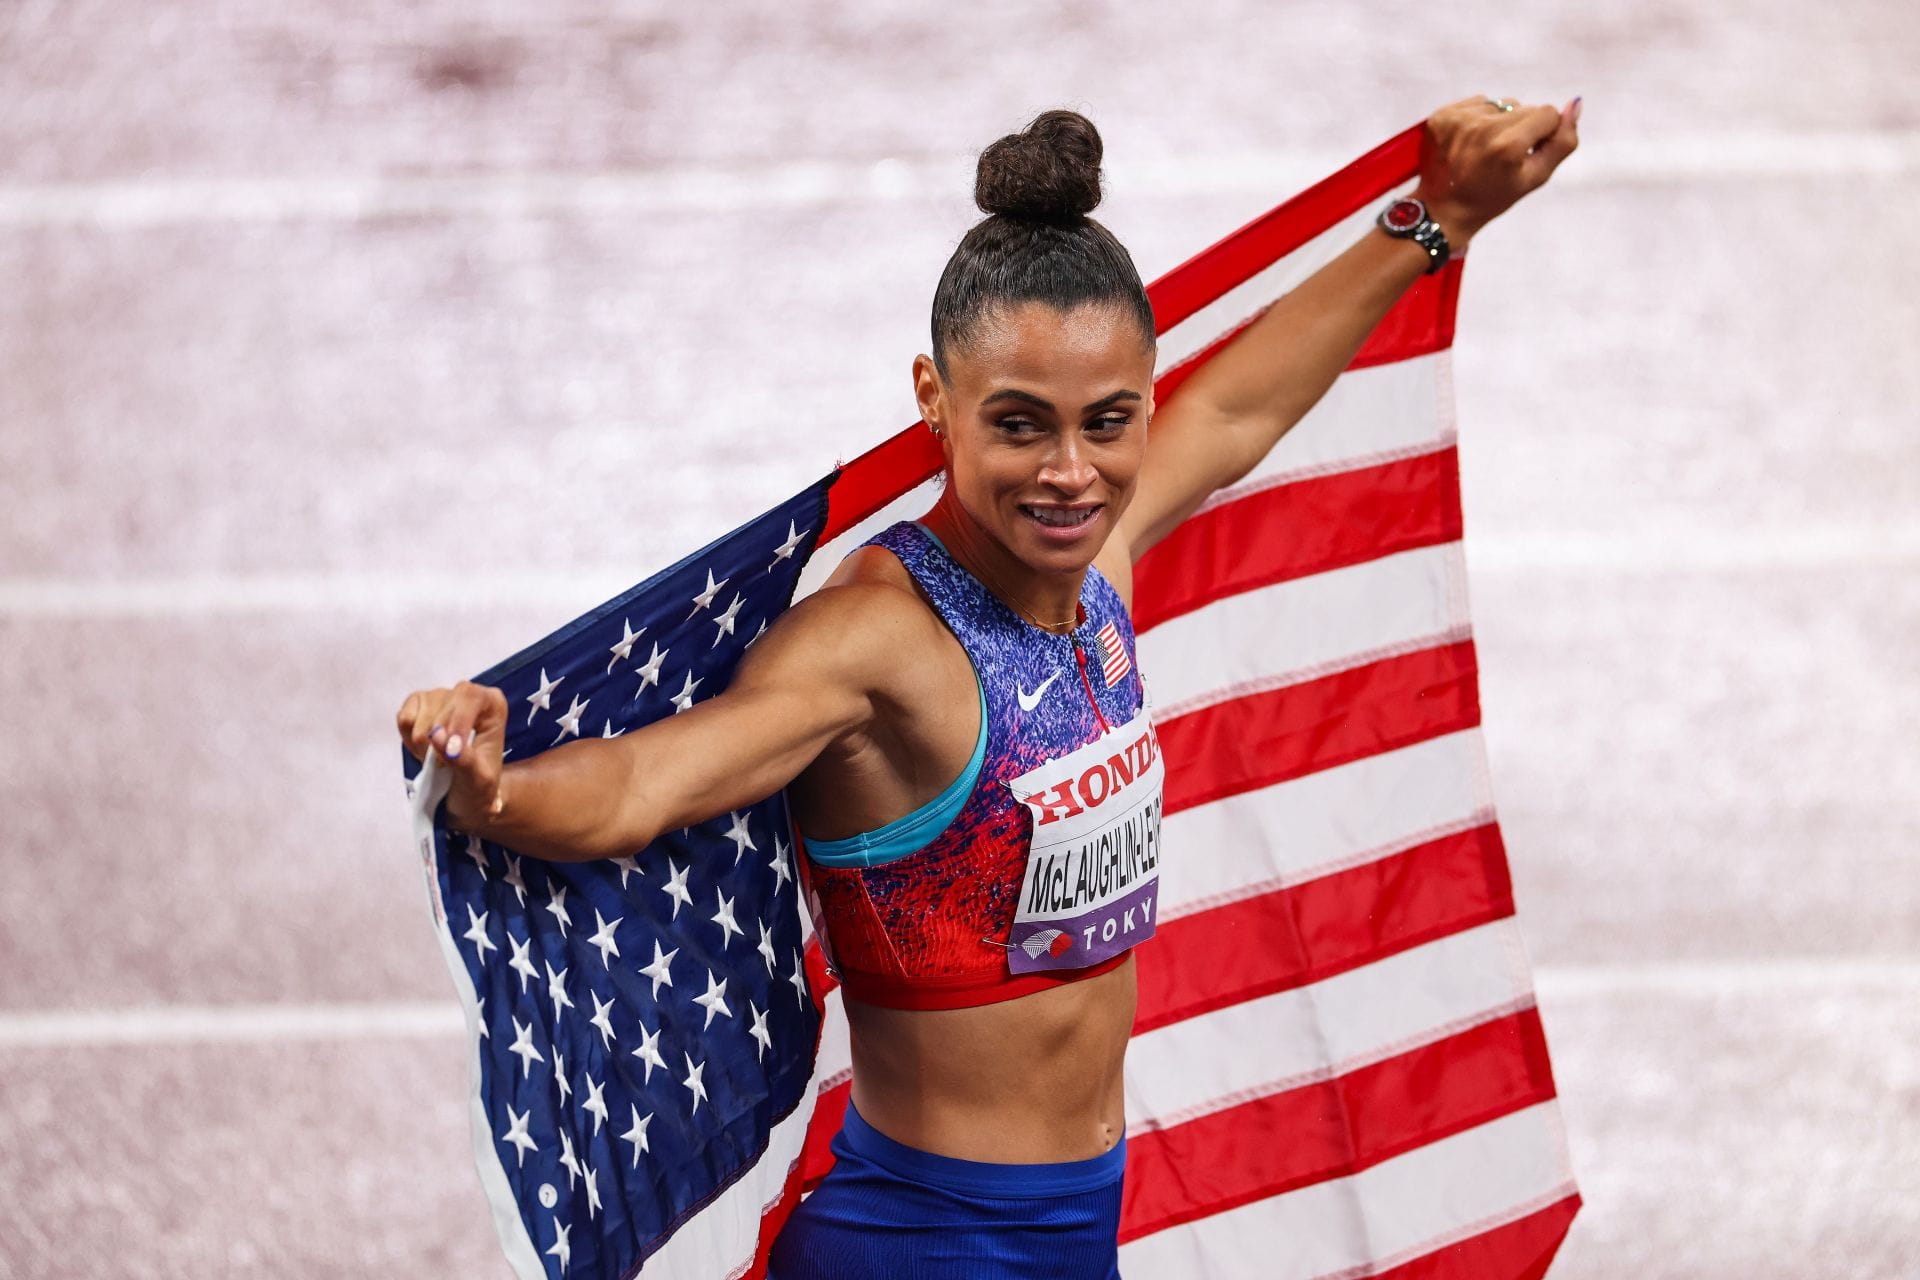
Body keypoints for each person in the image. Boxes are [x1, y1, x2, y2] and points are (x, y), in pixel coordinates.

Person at [396, 94, 1579, 1279]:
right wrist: (493, 789)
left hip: (1073, 1230)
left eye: (1109, 422)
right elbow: (645, 783)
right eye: (1021, 425)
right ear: (934, 397)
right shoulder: (877, 645)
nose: (1072, 473)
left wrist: (1442, 218)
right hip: (924, 1242)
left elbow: (1234, 408)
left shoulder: (1094, 572)